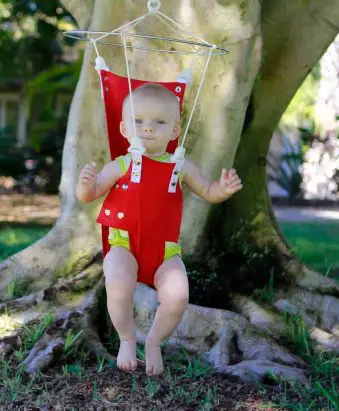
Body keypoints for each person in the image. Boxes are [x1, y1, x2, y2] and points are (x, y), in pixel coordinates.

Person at [76, 83, 242, 376]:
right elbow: (91, 194)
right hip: (124, 244)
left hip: (164, 251)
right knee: (117, 281)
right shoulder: (122, 164)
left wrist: (223, 189)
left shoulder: (180, 166)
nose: (148, 128)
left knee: (178, 296)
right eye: (138, 122)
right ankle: (127, 339)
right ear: (125, 129)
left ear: (175, 130)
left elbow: (207, 189)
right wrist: (86, 185)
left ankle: (153, 342)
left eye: (159, 121)